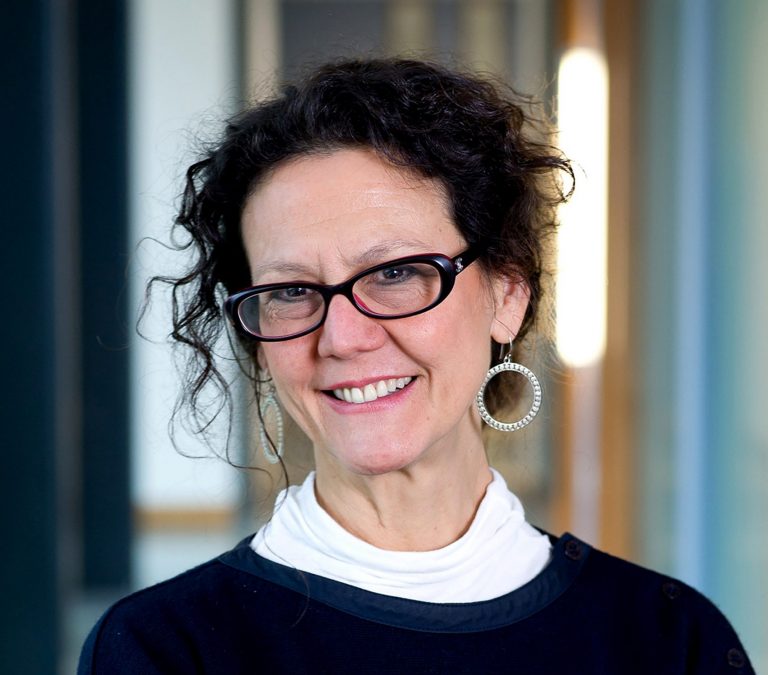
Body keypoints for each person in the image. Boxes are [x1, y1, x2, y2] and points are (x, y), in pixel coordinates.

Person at [79, 58, 753, 674]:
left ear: (507, 294)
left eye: (396, 273)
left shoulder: (667, 639)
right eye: (290, 290)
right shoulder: (164, 648)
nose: (342, 338)